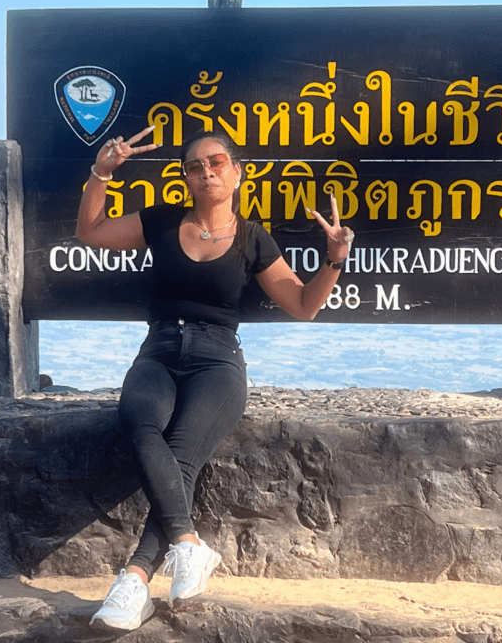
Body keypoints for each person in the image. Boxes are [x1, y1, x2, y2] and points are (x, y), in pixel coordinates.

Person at [76, 126, 354, 631]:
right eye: (196, 166)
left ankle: (134, 579)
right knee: (138, 421)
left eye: (217, 163)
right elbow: (91, 232)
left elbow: (303, 305)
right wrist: (102, 173)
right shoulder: (160, 221)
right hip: (159, 349)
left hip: (217, 359)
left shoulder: (252, 238)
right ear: (186, 177)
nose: (207, 172)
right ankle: (186, 546)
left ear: (238, 173)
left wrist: (334, 261)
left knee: (180, 455)